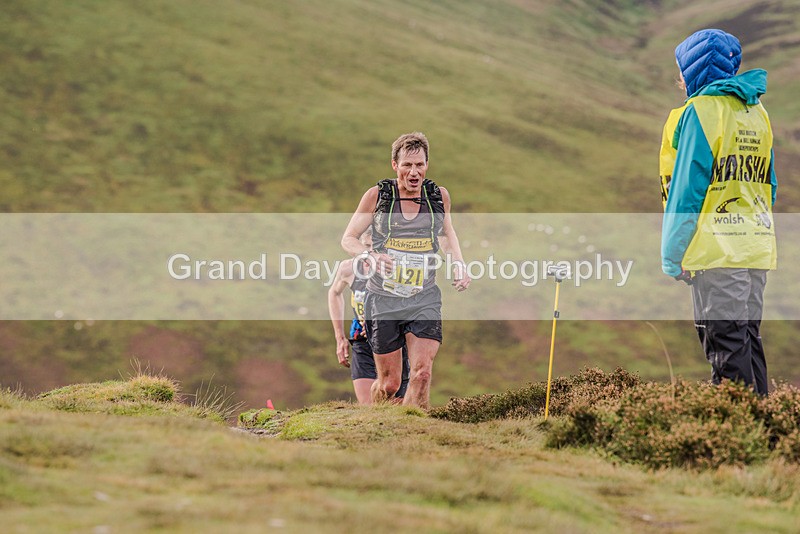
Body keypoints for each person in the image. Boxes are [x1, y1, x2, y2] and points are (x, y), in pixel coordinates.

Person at [660, 29, 777, 395]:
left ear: (694, 71)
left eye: (682, 69)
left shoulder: (700, 113)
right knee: (746, 338)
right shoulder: (757, 112)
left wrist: (672, 254)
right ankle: (768, 433)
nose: (678, 77)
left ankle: (737, 439)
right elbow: (769, 184)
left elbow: (686, 192)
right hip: (756, 248)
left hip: (717, 253)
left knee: (726, 347)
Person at [341, 132, 470, 409]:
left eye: (420, 165)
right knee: (389, 386)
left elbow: (446, 235)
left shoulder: (438, 197)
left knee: (422, 374)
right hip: (383, 298)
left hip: (423, 297)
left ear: (427, 165)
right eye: (407, 165)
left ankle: (415, 428)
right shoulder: (378, 196)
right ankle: (377, 417)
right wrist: (370, 256)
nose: (414, 172)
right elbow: (348, 238)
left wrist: (458, 264)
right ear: (394, 165)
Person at [327, 230, 410, 404]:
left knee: (394, 404)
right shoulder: (349, 268)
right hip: (362, 341)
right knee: (368, 409)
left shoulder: (397, 269)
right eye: (366, 247)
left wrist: (379, 323)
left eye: (376, 247)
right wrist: (339, 337)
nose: (371, 253)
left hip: (393, 343)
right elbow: (334, 293)